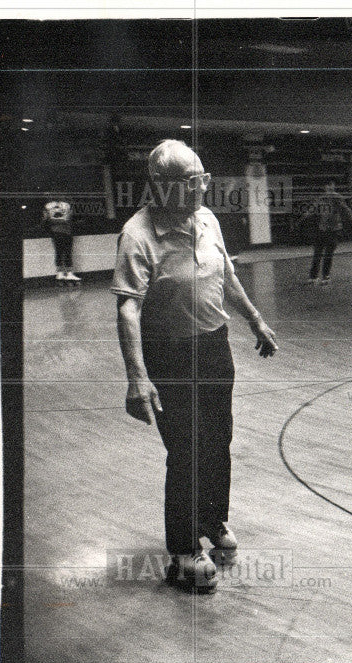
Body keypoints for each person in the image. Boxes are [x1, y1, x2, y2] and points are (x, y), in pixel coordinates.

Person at [111, 139, 279, 594]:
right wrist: (137, 378)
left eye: (203, 177)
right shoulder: (138, 234)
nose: (203, 187)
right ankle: (184, 548)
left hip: (214, 346)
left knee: (218, 439)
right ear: (162, 186)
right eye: (191, 181)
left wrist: (256, 320)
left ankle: (212, 517)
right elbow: (128, 309)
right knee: (186, 450)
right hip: (169, 356)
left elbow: (225, 274)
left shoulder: (207, 218)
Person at [304, 180, 352, 285]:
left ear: (333, 186)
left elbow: (346, 209)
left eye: (331, 185)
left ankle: (326, 276)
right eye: (327, 185)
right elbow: (313, 208)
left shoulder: (337, 197)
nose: (329, 187)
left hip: (334, 230)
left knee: (328, 254)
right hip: (322, 229)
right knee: (317, 253)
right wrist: (307, 214)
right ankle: (313, 276)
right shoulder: (321, 198)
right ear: (324, 187)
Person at [42, 196, 79, 281]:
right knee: (67, 252)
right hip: (66, 231)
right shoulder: (67, 205)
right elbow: (69, 218)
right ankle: (69, 273)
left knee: (58, 252)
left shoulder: (48, 206)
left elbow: (45, 219)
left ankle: (59, 273)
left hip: (55, 231)